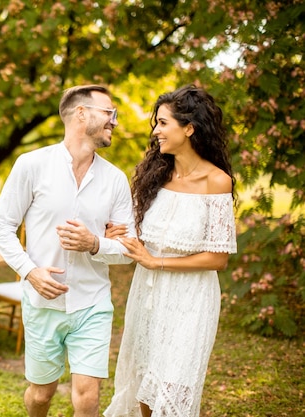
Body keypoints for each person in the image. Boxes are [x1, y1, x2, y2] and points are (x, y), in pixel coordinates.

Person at [0, 85, 136, 417]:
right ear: (81, 113)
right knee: (41, 395)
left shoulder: (115, 180)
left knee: (87, 398)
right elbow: (2, 227)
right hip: (43, 301)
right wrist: (30, 271)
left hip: (93, 301)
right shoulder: (31, 165)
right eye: (109, 112)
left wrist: (96, 243)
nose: (115, 121)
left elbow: (128, 246)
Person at [103, 85, 237, 417]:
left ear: (189, 128)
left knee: (173, 387)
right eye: (156, 123)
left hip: (191, 300)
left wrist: (156, 261)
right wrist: (120, 235)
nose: (156, 131)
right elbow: (140, 237)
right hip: (147, 297)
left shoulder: (216, 181)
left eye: (163, 123)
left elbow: (217, 258)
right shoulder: (155, 176)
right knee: (145, 385)